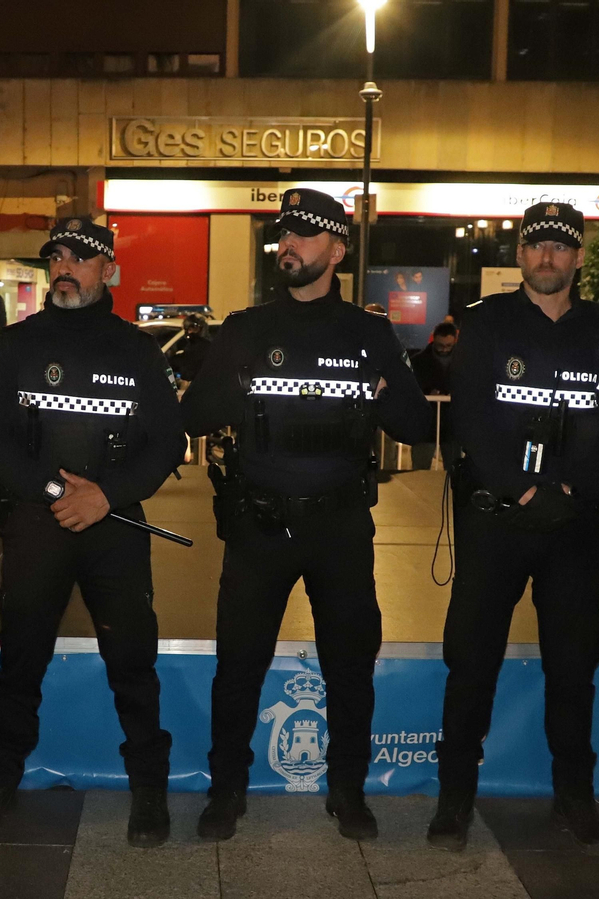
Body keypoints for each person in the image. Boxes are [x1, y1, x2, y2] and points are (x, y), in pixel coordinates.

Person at [184, 188, 432, 842]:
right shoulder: (245, 330)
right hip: (258, 526)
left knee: (350, 664)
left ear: (337, 249)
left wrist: (383, 390)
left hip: (339, 528)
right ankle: (226, 789)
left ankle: (347, 790)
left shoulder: (370, 335)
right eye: (282, 233)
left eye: (303, 234)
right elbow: (195, 414)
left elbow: (415, 423)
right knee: (238, 665)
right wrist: (226, 386)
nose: (285, 244)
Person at [0, 217, 186, 848]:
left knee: (133, 664)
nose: (65, 267)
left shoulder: (139, 352)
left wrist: (105, 495)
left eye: (80, 259)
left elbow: (168, 442)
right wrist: (62, 493)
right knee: (19, 663)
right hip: (38, 523)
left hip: (113, 526)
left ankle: (149, 794)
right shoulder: (16, 346)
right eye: (56, 257)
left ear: (108, 269)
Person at [430, 202, 599, 854]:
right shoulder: (485, 325)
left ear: (577, 257)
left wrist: (573, 492)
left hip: (572, 529)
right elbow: (470, 422)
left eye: (559, 247)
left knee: (574, 668)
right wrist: (522, 491)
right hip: (497, 522)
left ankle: (575, 800)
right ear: (520, 254)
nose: (546, 257)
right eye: (536, 245)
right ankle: (454, 801)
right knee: (471, 664)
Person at [408, 322, 457, 469]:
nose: (444, 349)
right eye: (440, 345)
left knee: (454, 469)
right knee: (420, 468)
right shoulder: (418, 361)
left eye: (448, 346)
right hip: (426, 423)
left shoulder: (464, 362)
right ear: (434, 340)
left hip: (451, 424)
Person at [168, 312, 212, 385]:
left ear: (201, 329)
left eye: (194, 329)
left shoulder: (206, 347)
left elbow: (191, 364)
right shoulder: (187, 345)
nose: (190, 332)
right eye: (188, 329)